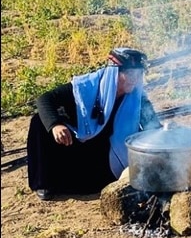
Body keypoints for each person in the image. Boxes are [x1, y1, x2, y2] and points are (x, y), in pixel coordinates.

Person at [26, 48, 161, 201]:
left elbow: (152, 124)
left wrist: (167, 137)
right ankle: (45, 184)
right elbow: (44, 99)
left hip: (105, 153)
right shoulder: (87, 86)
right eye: (129, 74)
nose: (135, 79)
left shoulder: (137, 97)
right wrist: (56, 125)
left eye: (139, 74)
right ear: (114, 73)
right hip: (74, 144)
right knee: (38, 121)